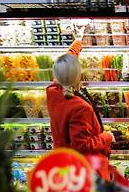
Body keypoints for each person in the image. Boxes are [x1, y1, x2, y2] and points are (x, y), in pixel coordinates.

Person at [46, 29, 115, 168]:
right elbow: (83, 145)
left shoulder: (53, 92)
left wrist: (76, 45)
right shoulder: (79, 108)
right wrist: (107, 137)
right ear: (78, 75)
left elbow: (65, 66)